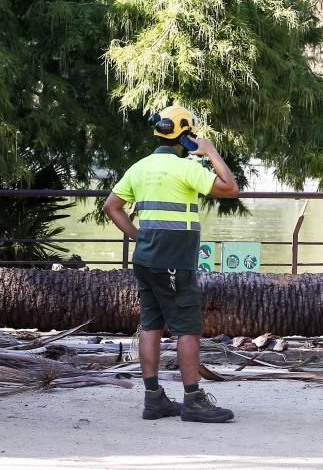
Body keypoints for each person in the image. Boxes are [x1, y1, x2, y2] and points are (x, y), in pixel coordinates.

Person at [103, 106, 240, 423]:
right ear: (186, 136)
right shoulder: (185, 168)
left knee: (151, 325)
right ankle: (193, 399)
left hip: (147, 258)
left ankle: (154, 399)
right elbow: (230, 188)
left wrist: (139, 236)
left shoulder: (139, 168)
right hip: (176, 260)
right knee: (188, 329)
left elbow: (112, 207)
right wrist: (210, 151)